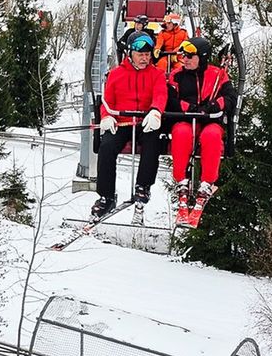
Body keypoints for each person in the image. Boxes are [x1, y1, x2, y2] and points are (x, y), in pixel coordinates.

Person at [94, 31, 168, 219]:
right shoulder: (116, 74)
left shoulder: (157, 74)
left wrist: (156, 111)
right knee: (107, 147)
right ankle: (106, 195)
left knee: (152, 142)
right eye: (140, 55)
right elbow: (107, 101)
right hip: (122, 122)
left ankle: (143, 185)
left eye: (147, 55)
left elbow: (160, 94)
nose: (145, 59)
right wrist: (106, 117)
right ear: (130, 54)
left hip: (145, 122)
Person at [165, 37, 236, 217]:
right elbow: (170, 99)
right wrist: (189, 108)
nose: (185, 59)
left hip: (209, 121)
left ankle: (207, 183)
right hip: (186, 120)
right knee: (181, 133)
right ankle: (181, 180)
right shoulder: (177, 75)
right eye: (184, 56)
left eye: (190, 56)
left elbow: (230, 98)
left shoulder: (218, 75)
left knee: (212, 136)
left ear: (202, 57)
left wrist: (215, 106)